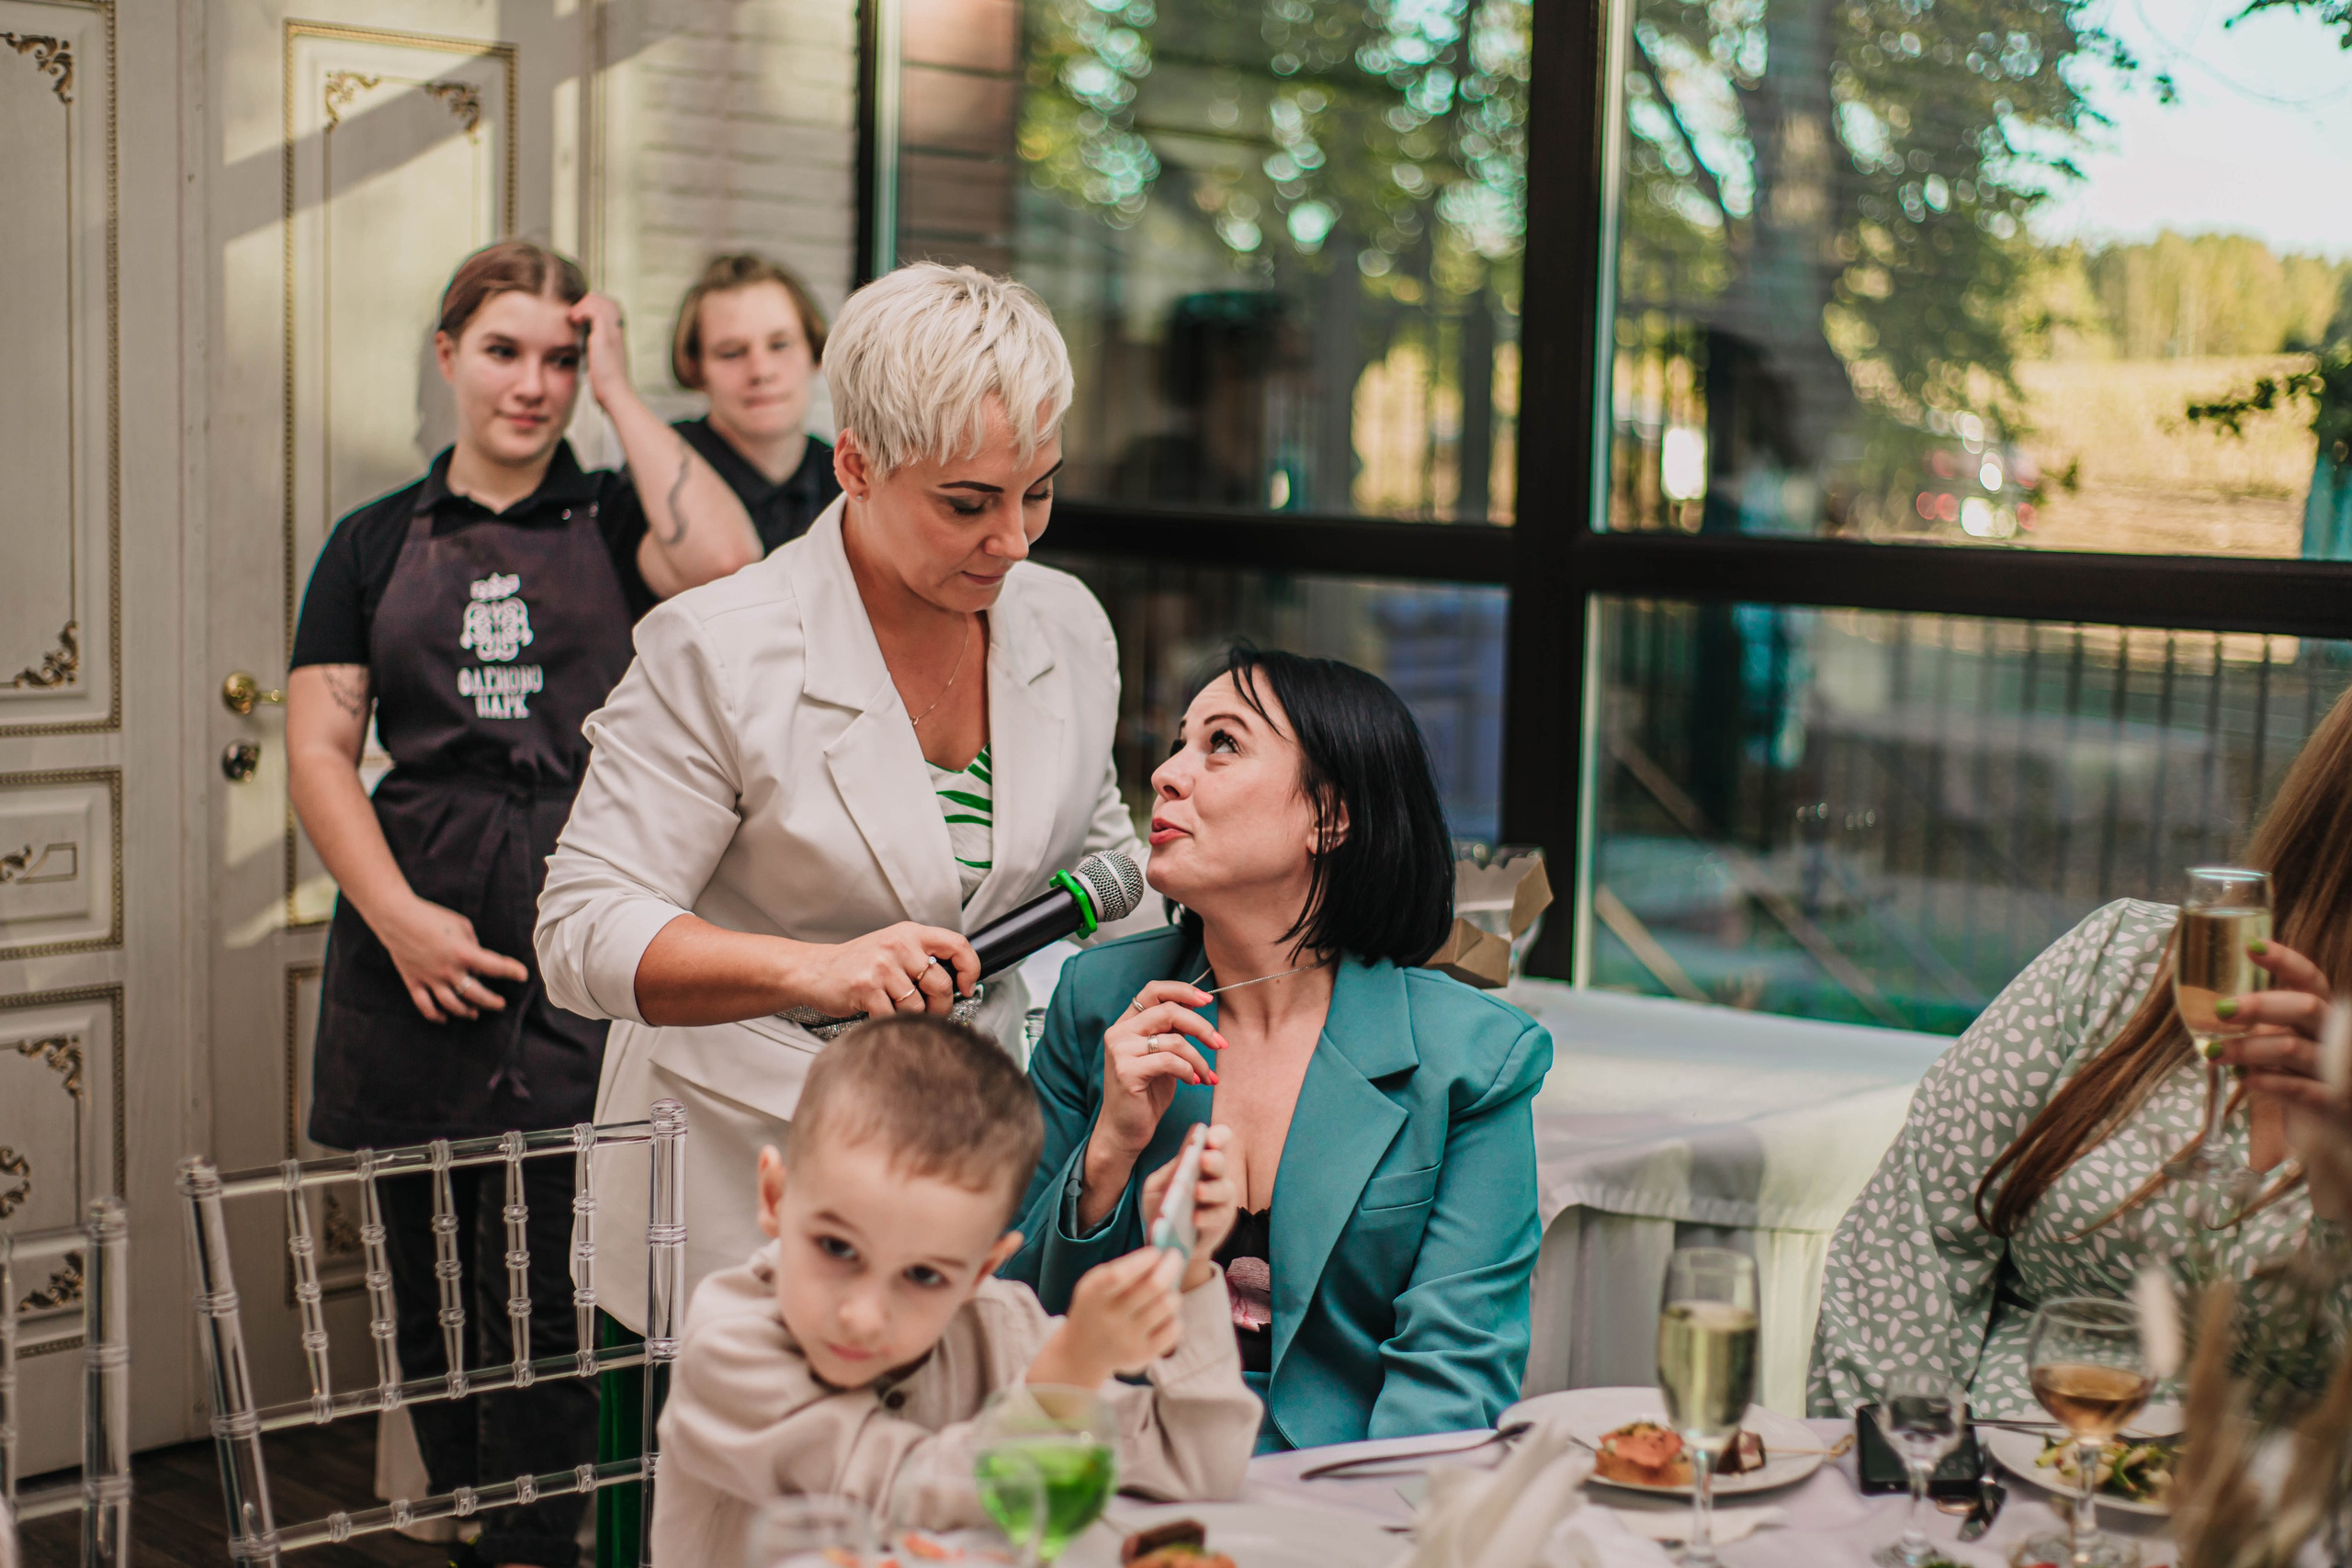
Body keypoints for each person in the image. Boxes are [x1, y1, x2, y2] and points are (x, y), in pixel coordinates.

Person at [536, 259, 1155, 1328]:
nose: (1012, 539)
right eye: (967, 503)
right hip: (752, 1177)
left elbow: (1104, 866)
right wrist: (816, 969)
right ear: (858, 465)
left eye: (1038, 490)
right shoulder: (718, 649)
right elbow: (582, 929)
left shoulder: (1065, 625)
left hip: (971, 1174)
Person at [285, 240, 760, 1568]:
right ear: (447, 357)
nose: (532, 383)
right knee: (433, 1280)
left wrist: (622, 386)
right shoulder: (374, 542)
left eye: (561, 356)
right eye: (506, 351)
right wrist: (396, 918)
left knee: (564, 1267)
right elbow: (321, 751)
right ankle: (469, 1524)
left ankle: (544, 1542)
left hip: (577, 922)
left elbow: (725, 555)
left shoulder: (619, 518)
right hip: (410, 930)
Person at [1002, 648, 1554, 1452]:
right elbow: (1007, 1319)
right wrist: (1109, 1153)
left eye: (1221, 744)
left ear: (1328, 816)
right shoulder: (1098, 1003)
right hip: (1115, 1473)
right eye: (1179, 742)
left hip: (1346, 1495)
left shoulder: (1475, 1061)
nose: (1165, 773)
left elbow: (1452, 1379)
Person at [1808, 684, 2352, 1418]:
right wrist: (1903, 1480)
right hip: (1989, 1495)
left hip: (2254, 1519)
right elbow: (1909, 1247)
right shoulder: (2120, 964)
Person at [651, 1016, 1258, 1568]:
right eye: (837, 1248)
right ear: (775, 1197)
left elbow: (1200, 1461)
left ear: (980, 1271)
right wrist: (1069, 1370)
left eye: (923, 1275)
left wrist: (1188, 1268)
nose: (863, 1316)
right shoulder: (729, 1344)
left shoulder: (1000, 1325)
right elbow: (904, 1488)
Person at [634, 253, 841, 556]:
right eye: (731, 353)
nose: (761, 372)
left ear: (815, 351)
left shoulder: (847, 479)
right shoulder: (658, 472)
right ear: (695, 368)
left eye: (780, 345)